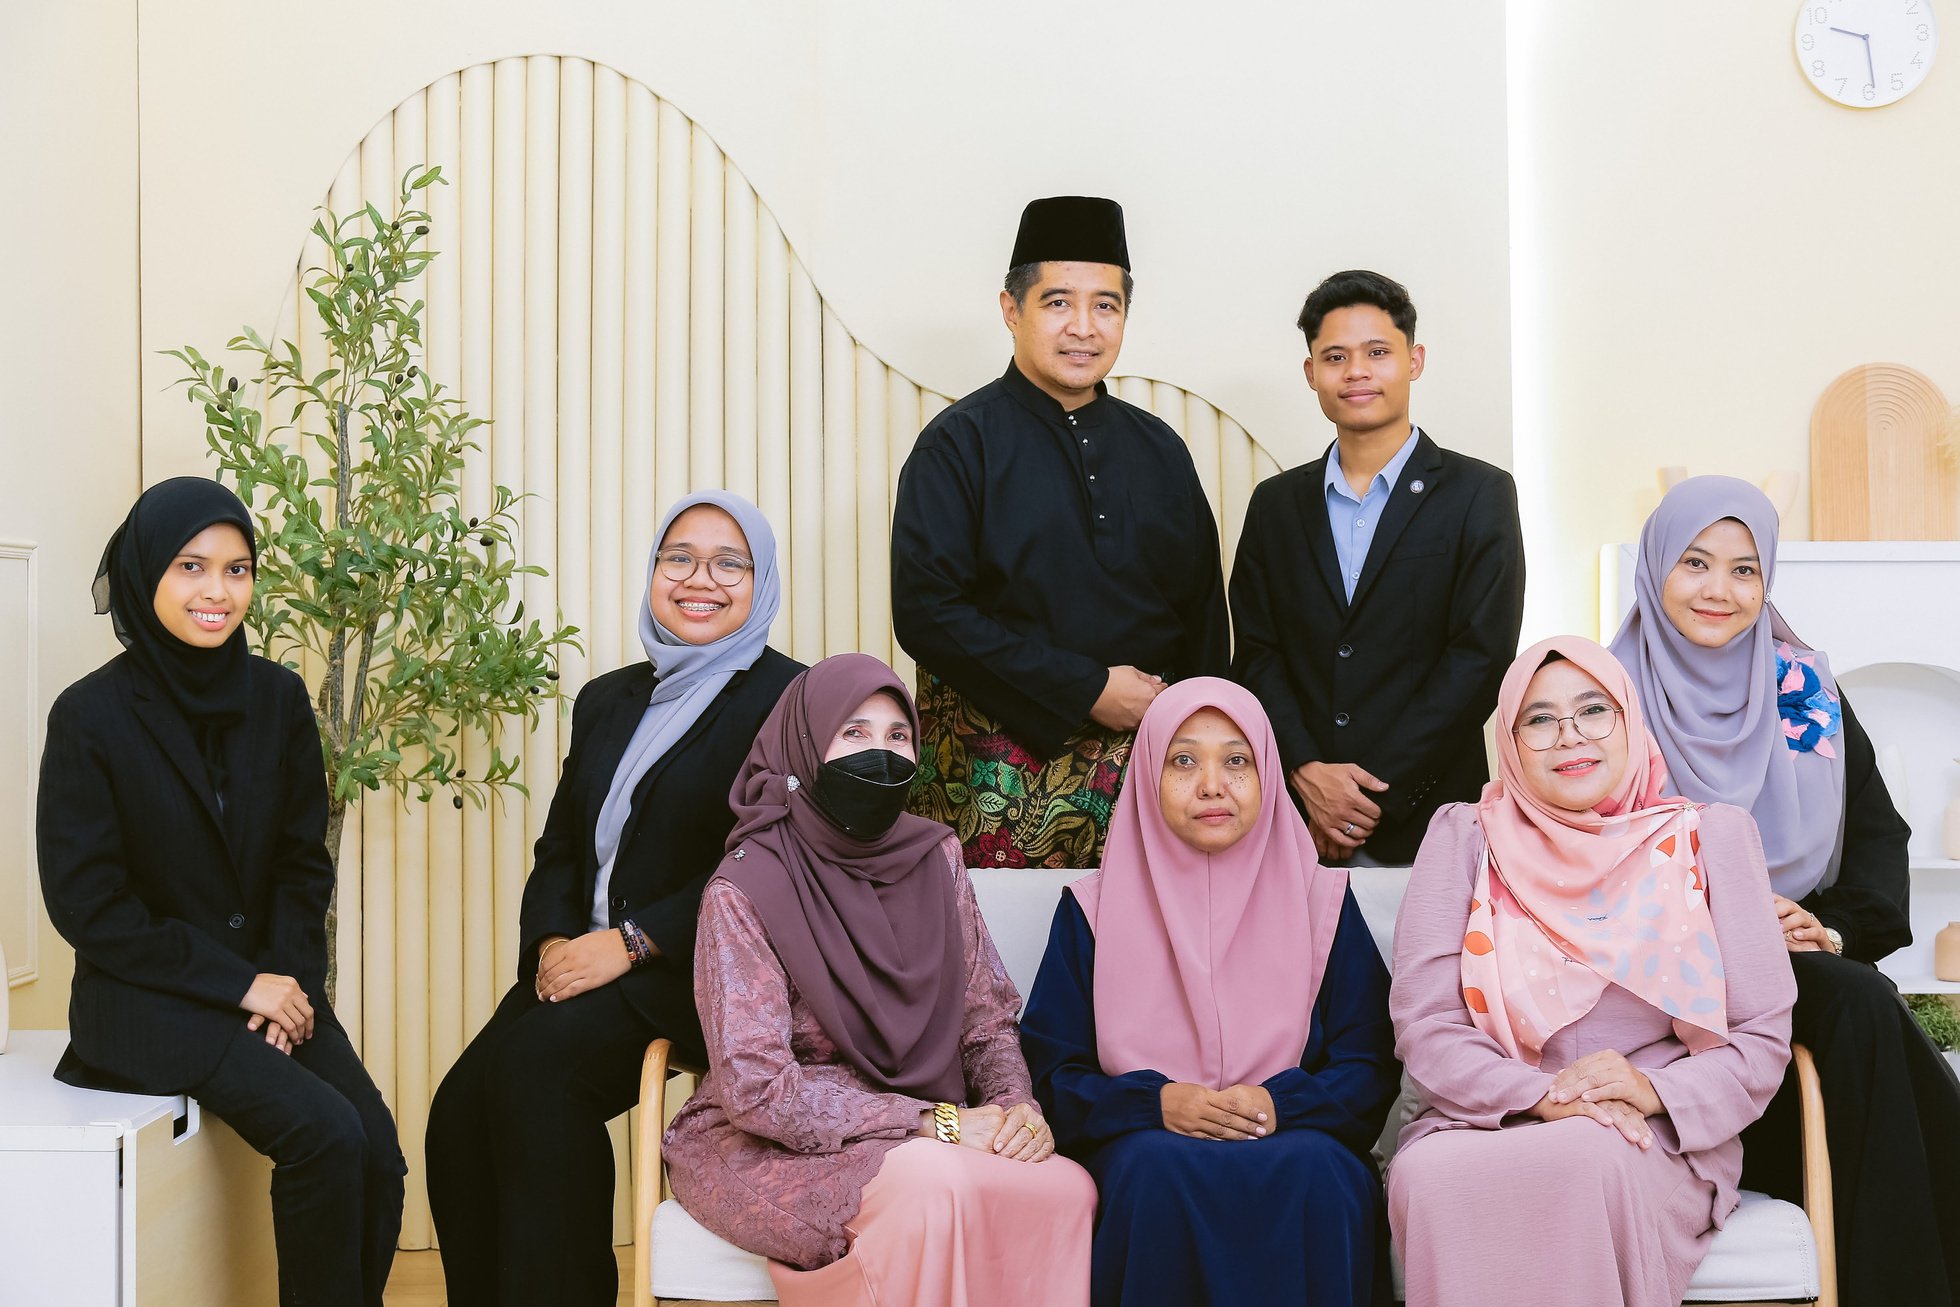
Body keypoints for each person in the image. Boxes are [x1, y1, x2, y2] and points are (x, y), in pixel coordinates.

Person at [425, 491, 802, 1305]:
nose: (699, 579)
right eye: (679, 558)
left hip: (697, 972)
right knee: (456, 1112)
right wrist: (552, 944)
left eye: (729, 563)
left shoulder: (789, 701)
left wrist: (631, 941)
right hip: (583, 964)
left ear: (762, 580)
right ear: (654, 570)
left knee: (536, 1073)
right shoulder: (608, 698)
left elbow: (769, 864)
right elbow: (561, 846)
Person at [38, 477, 405, 1306]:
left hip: (271, 983)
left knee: (378, 1153)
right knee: (324, 1135)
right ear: (146, 573)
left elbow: (301, 865)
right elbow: (88, 905)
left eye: (237, 569)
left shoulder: (278, 697)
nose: (218, 591)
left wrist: (284, 980)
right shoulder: (89, 716)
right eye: (191, 566)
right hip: (147, 1001)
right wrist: (242, 984)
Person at [1610, 475, 1960, 1306]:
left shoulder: (1806, 691)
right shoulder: (1603, 696)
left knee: (1851, 994)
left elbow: (1878, 838)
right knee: (1861, 1002)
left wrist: (1827, 927)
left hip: (1800, 966)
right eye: (1696, 562)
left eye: (1745, 570)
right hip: (1655, 977)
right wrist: (1728, 924)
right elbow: (1577, 852)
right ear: (1656, 566)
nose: (1720, 589)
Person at [663, 653, 1096, 1306]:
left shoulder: (935, 857)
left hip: (931, 1124)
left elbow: (985, 1019)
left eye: (898, 736)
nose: (882, 754)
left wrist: (1015, 1109)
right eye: (854, 733)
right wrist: (935, 1122)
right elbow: (757, 1090)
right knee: (933, 1187)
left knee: (1068, 1189)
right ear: (805, 745)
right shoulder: (746, 886)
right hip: (764, 1142)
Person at [1387, 636, 1795, 1307]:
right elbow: (1427, 1024)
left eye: (1593, 710)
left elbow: (1760, 1038)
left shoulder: (1710, 836)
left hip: (1651, 1127)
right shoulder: (1464, 837)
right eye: (1539, 719)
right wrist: (1538, 1095)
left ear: (1630, 721)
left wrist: (1648, 1088)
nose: (1569, 735)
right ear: (1510, 742)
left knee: (1585, 1156)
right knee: (1431, 1173)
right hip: (1490, 1114)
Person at [1021, 677, 1399, 1306]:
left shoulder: (1323, 903)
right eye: (1183, 761)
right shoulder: (1092, 910)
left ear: (1267, 775)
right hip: (1145, 1145)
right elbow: (1052, 1072)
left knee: (1320, 1172)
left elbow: (1370, 1061)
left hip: (1297, 1135)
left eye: (1237, 761)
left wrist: (1280, 1104)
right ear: (1147, 776)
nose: (1212, 785)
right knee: (1150, 1170)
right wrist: (1155, 1104)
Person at [891, 195, 1228, 869]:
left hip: (1152, 771)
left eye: (1106, 305)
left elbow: (1203, 620)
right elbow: (928, 613)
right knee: (1002, 940)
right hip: (993, 784)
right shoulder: (958, 444)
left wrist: (1199, 738)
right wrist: (1086, 688)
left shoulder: (1161, 449)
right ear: (1011, 309)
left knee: (1162, 934)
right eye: (1057, 303)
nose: (1084, 327)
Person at [1231, 269, 1524, 865]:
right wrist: (1306, 771)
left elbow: (1481, 656)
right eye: (1335, 357)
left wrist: (1366, 796)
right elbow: (1257, 652)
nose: (1356, 371)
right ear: (1311, 372)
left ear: (1414, 361)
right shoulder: (1275, 505)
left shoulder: (1479, 493)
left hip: (1431, 818)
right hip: (1296, 815)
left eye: (1377, 352)